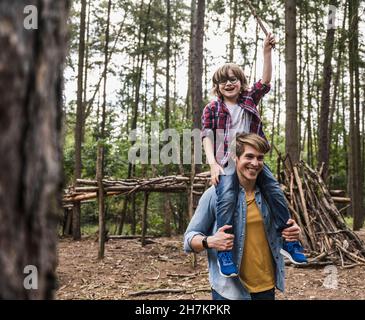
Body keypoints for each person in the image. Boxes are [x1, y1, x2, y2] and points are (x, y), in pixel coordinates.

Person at [201, 33, 306, 277]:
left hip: (251, 158)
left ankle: (288, 240)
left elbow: (266, 82)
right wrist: (213, 164)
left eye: (234, 79)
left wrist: (266, 52)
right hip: (227, 162)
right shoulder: (212, 108)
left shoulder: (249, 98)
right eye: (224, 81)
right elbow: (206, 136)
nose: (229, 84)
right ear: (217, 86)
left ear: (241, 82)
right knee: (226, 199)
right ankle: (225, 251)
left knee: (275, 191)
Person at [184, 133, 303, 300]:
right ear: (235, 157)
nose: (255, 163)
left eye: (260, 158)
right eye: (249, 156)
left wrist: (293, 233)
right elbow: (188, 240)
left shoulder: (270, 197)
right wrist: (209, 241)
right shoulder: (214, 195)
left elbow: (275, 236)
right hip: (229, 292)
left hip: (266, 288)